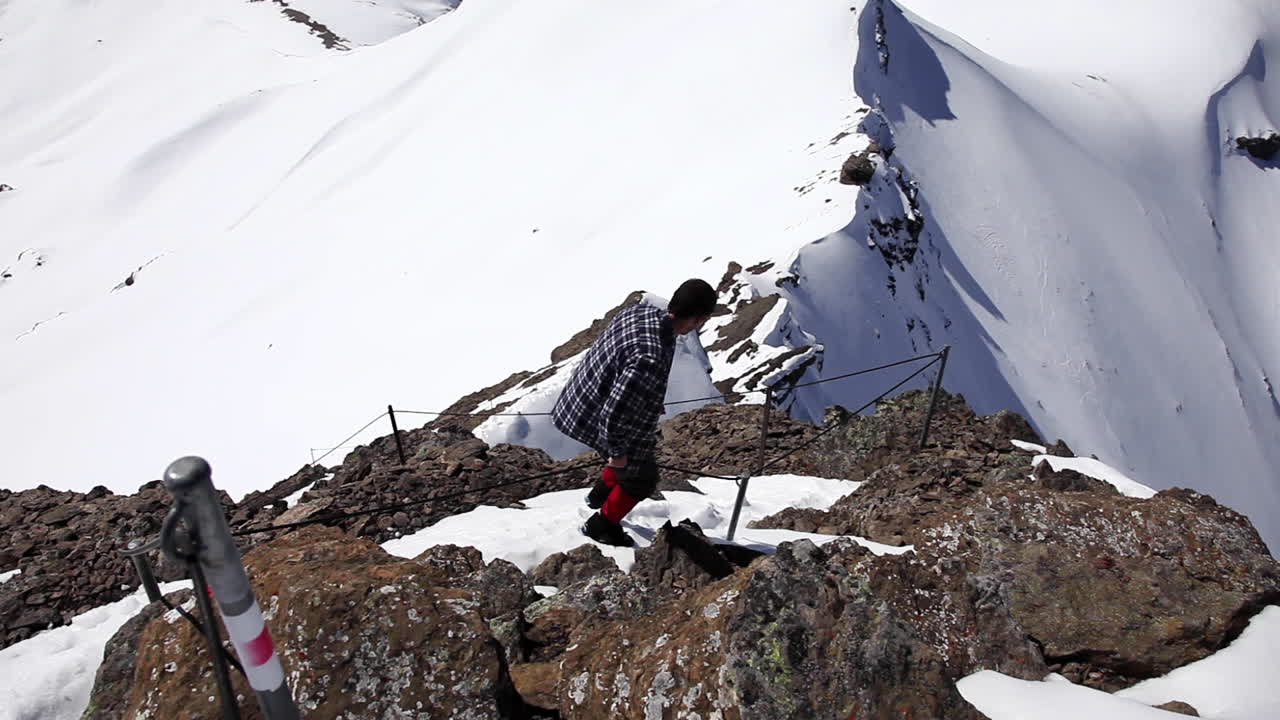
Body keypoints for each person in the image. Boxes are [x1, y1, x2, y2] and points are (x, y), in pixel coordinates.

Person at [551, 279, 717, 546]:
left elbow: (623, 369)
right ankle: (601, 526)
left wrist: (647, 397)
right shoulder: (648, 357)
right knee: (642, 478)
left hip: (580, 398)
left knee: (630, 462)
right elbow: (613, 415)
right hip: (594, 416)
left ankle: (599, 495)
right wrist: (616, 454)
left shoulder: (638, 313)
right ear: (699, 319)